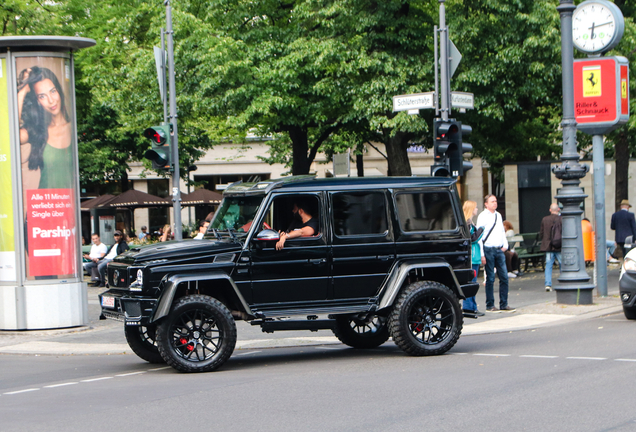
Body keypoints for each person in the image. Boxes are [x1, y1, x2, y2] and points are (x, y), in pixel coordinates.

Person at [17, 66, 73, 189]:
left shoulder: (73, 129)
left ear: (59, 91)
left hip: (67, 205)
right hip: (44, 204)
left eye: (53, 91)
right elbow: (10, 137)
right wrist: (22, 92)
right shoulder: (37, 130)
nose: (51, 100)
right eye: (42, 96)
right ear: (37, 101)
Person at [476, 194, 515, 313]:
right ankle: (490, 304)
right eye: (492, 201)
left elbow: (501, 231)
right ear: (486, 204)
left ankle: (504, 303)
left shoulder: (498, 215)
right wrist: (482, 253)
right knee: (490, 278)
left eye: (496, 201)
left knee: (504, 276)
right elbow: (479, 236)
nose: (495, 203)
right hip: (488, 248)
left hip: (498, 249)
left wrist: (505, 245)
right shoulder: (482, 216)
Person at [462, 200, 485, 317]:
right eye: (475, 208)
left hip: (474, 256)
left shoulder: (470, 223)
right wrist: (481, 230)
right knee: (472, 282)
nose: (477, 209)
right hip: (471, 256)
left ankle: (472, 306)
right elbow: (472, 239)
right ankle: (469, 306)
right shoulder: (467, 223)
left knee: (473, 282)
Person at [539, 203, 562, 292]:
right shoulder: (561, 219)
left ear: (550, 210)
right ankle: (563, 281)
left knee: (548, 265)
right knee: (562, 264)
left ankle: (548, 284)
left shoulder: (545, 219)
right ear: (558, 209)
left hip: (548, 246)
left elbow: (541, 233)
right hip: (559, 245)